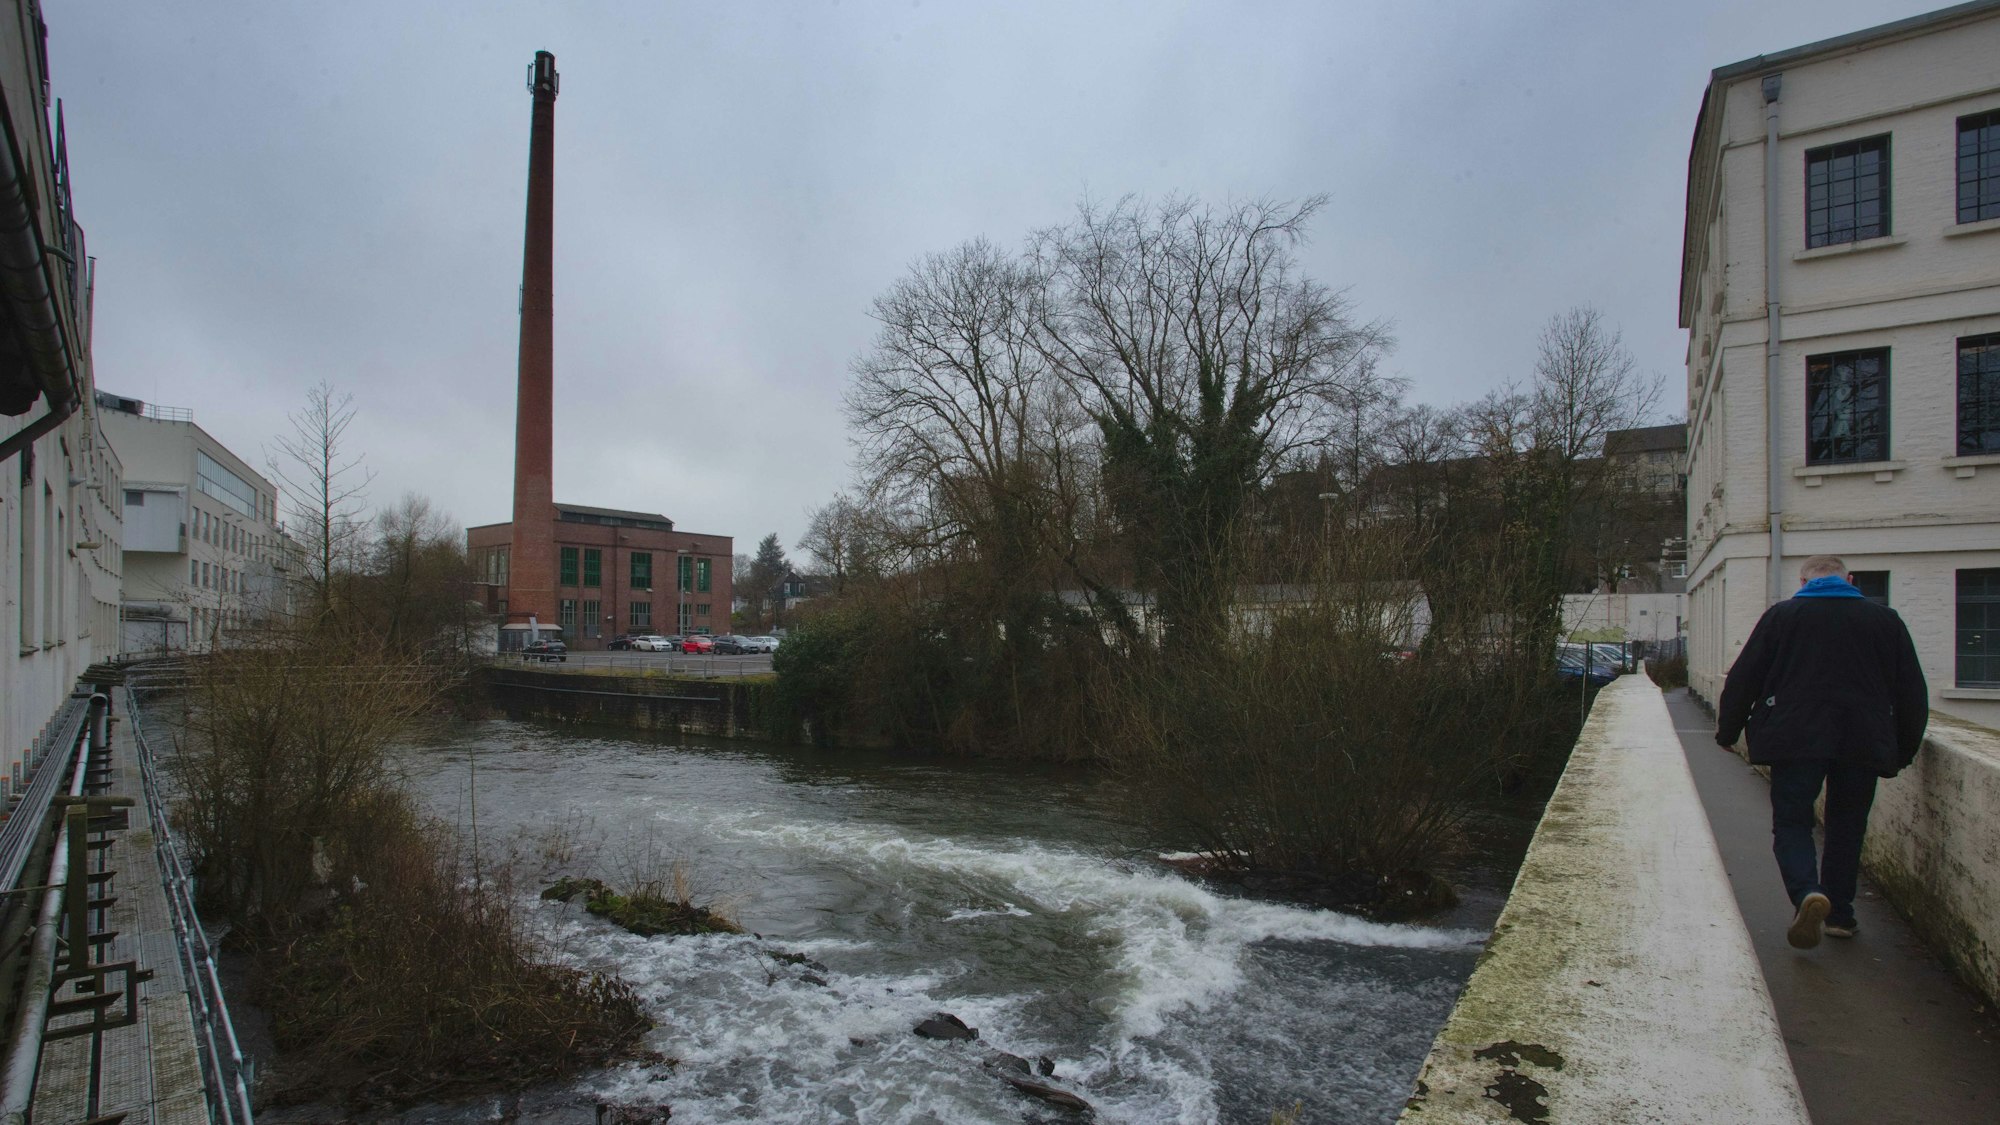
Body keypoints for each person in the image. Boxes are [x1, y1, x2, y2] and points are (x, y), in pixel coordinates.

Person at [1715, 555, 1928, 949]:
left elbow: (1745, 677)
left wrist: (1728, 730)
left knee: (1793, 822)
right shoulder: (1886, 621)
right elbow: (1912, 692)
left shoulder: (1783, 616)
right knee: (1848, 825)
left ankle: (1807, 894)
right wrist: (1903, 750)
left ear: (1803, 582)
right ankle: (1840, 916)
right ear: (1850, 580)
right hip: (1864, 739)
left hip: (1794, 737)